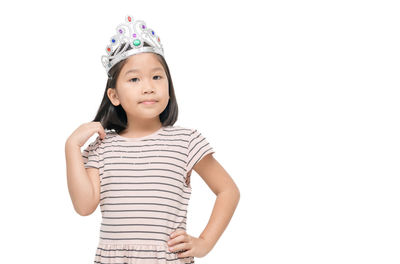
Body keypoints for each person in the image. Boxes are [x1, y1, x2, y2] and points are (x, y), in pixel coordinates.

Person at [65, 15, 240, 264]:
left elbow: (228, 190)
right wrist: (71, 147)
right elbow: (84, 207)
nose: (148, 87)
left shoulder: (186, 141)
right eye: (134, 79)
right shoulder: (102, 147)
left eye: (157, 77)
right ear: (114, 95)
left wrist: (204, 243)